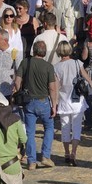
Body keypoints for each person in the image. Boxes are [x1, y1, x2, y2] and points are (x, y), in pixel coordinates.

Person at [17, 38, 59, 168]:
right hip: (43, 101)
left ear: (33, 50)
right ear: (44, 52)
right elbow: (52, 87)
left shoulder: (25, 62)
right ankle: (45, 156)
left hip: (29, 101)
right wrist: (54, 105)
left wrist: (18, 94)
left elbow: (17, 82)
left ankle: (31, 161)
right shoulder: (48, 67)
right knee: (49, 127)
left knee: (30, 132)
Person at [53, 39, 92, 166]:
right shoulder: (77, 63)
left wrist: (54, 103)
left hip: (64, 101)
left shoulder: (56, 67)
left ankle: (66, 153)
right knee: (76, 128)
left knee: (65, 128)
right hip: (77, 101)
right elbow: (88, 79)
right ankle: (73, 153)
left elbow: (55, 87)